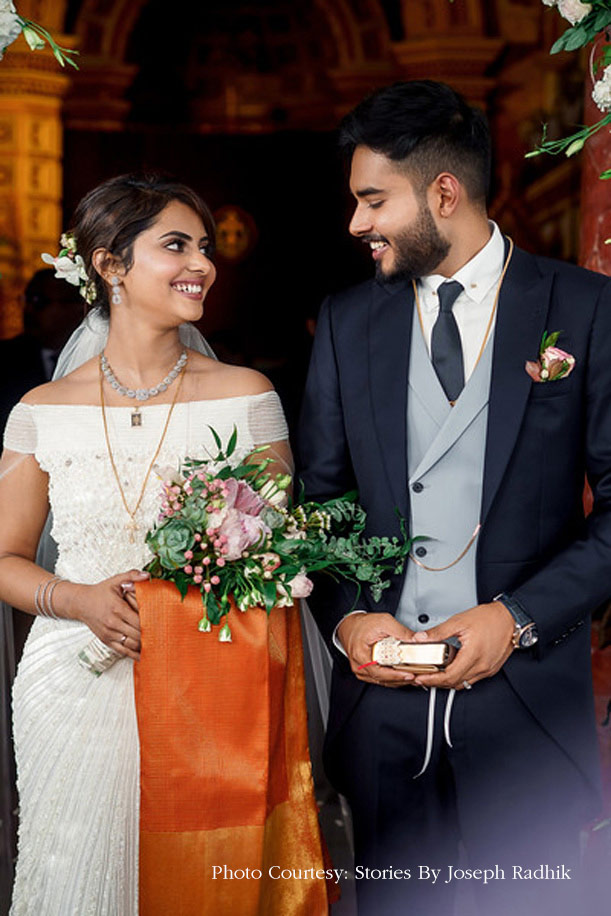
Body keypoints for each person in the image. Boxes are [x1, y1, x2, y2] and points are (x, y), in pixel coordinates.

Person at [298, 80, 608, 916]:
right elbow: (319, 506)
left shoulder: (582, 311)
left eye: (372, 200)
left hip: (528, 713)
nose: (356, 224)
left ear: (443, 191)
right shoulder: (345, 323)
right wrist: (351, 617)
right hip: (381, 721)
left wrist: (515, 617)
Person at [0, 173, 328, 915]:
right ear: (110, 266)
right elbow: (5, 559)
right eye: (175, 245)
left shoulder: (247, 396)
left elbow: (278, 555)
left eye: (205, 247)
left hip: (208, 678)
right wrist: (76, 598)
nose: (202, 264)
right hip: (74, 677)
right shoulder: (41, 410)